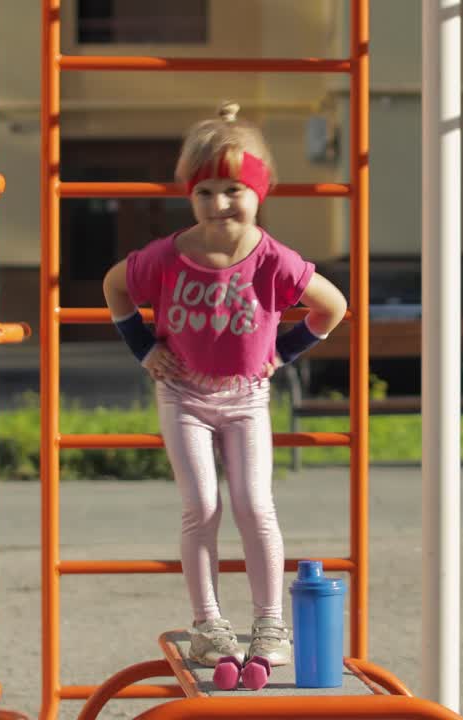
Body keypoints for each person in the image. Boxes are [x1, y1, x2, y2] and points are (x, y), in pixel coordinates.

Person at [102, 102, 348, 683]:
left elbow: (332, 306)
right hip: (183, 396)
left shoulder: (271, 259)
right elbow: (115, 286)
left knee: (255, 506)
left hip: (244, 399)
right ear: (191, 195)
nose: (219, 203)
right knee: (203, 507)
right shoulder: (168, 255)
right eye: (205, 191)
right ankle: (209, 624)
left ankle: (268, 624)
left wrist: (281, 353)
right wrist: (142, 347)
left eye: (233, 189)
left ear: (258, 192)